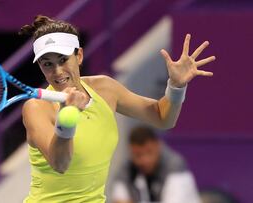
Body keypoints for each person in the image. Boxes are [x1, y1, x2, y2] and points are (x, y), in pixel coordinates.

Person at [20, 15, 215, 202]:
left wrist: (176, 87)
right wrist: (68, 114)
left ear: (79, 55)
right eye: (47, 64)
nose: (57, 71)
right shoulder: (36, 108)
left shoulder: (105, 89)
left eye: (63, 60)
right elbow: (60, 164)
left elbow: (162, 117)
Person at [112, 126, 201, 203]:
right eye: (138, 155)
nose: (144, 160)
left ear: (158, 146)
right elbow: (120, 200)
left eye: (149, 152)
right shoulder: (126, 170)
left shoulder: (174, 166)